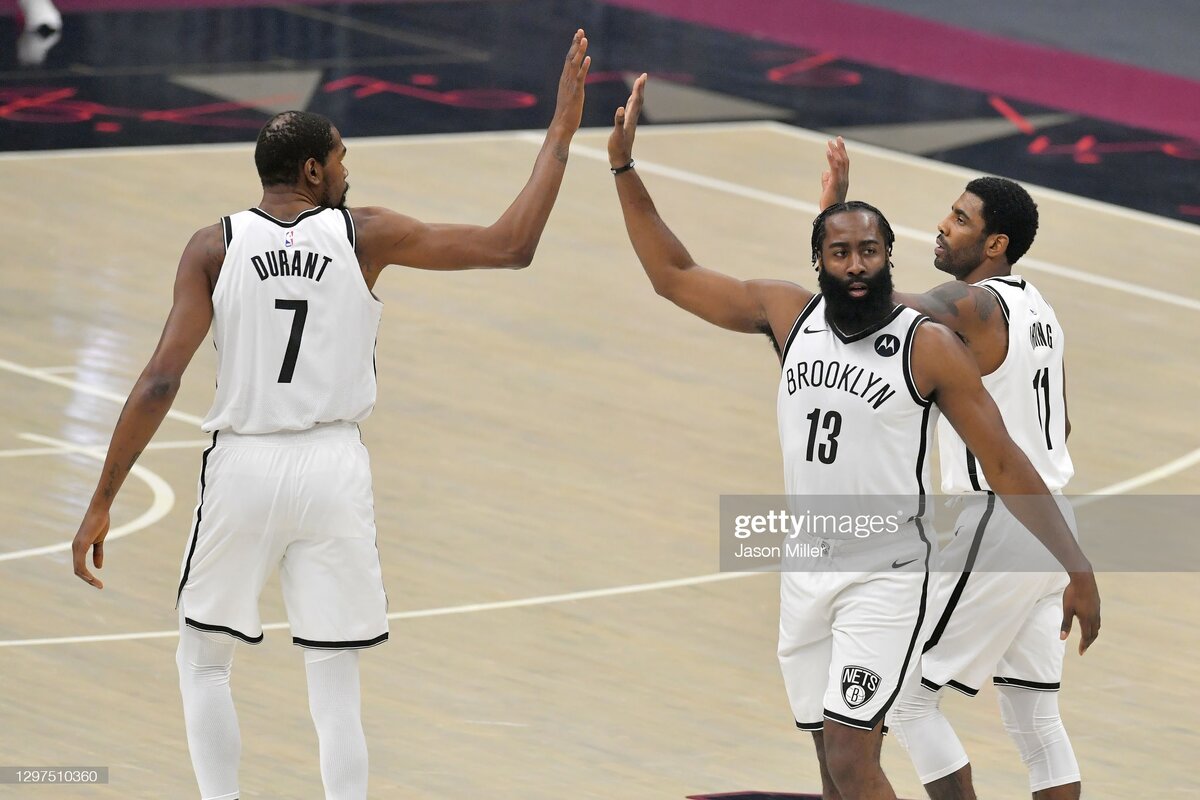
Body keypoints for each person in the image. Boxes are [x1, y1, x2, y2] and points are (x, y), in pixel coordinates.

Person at [69, 29, 592, 800]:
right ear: (313, 170)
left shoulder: (213, 247)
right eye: (342, 158)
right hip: (333, 468)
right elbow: (511, 246)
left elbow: (159, 382)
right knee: (334, 679)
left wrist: (102, 497)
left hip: (244, 465)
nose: (349, 170)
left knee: (204, 661)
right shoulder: (363, 234)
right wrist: (560, 131)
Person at [607, 75, 1099, 800]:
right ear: (820, 260)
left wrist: (1079, 566)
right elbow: (674, 274)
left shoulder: (938, 331)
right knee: (904, 746)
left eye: (871, 250)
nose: (857, 263)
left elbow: (999, 455)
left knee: (880, 729)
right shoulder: (800, 316)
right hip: (829, 557)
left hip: (937, 545)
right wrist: (623, 168)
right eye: (840, 251)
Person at [821, 139, 1086, 800]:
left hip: (1000, 522)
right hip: (1054, 523)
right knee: (1036, 720)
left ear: (995, 244)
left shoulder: (975, 305)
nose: (943, 225)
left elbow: (870, 304)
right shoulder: (1040, 311)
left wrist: (835, 225)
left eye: (960, 219)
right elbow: (1061, 428)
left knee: (906, 698)